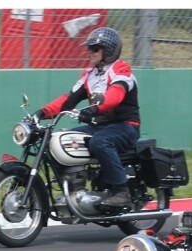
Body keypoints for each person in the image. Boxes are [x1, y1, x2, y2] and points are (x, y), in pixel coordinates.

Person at [34, 26, 140, 210]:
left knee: (100, 142)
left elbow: (115, 95)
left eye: (95, 48)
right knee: (59, 141)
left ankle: (121, 192)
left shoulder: (121, 69)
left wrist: (95, 108)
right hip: (99, 126)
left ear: (109, 51)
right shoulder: (90, 73)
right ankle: (71, 188)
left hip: (124, 126)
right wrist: (41, 113)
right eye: (89, 48)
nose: (90, 52)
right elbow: (68, 100)